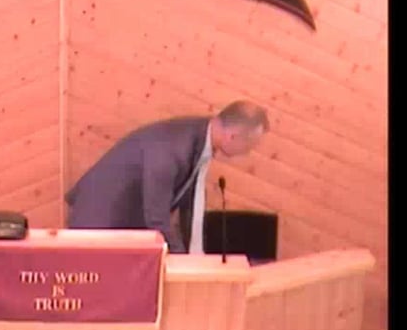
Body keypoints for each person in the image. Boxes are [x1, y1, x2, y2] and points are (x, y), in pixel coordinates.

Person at [64, 100, 269, 254]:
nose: (248, 152)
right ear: (232, 136)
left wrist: (195, 257)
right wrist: (182, 261)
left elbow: (188, 207)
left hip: (119, 228)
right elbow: (156, 218)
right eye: (249, 146)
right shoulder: (174, 149)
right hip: (98, 226)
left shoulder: (198, 138)